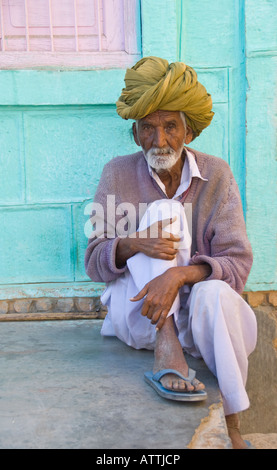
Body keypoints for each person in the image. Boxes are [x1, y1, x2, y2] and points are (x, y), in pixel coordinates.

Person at [85, 57, 257, 449]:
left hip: (201, 326)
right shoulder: (116, 173)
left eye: (170, 127)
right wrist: (133, 244)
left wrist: (179, 275)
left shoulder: (218, 175)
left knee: (213, 291)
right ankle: (167, 347)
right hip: (140, 316)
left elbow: (237, 265)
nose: (159, 141)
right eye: (148, 128)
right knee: (163, 214)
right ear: (134, 134)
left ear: (189, 132)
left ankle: (234, 425)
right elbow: (93, 261)